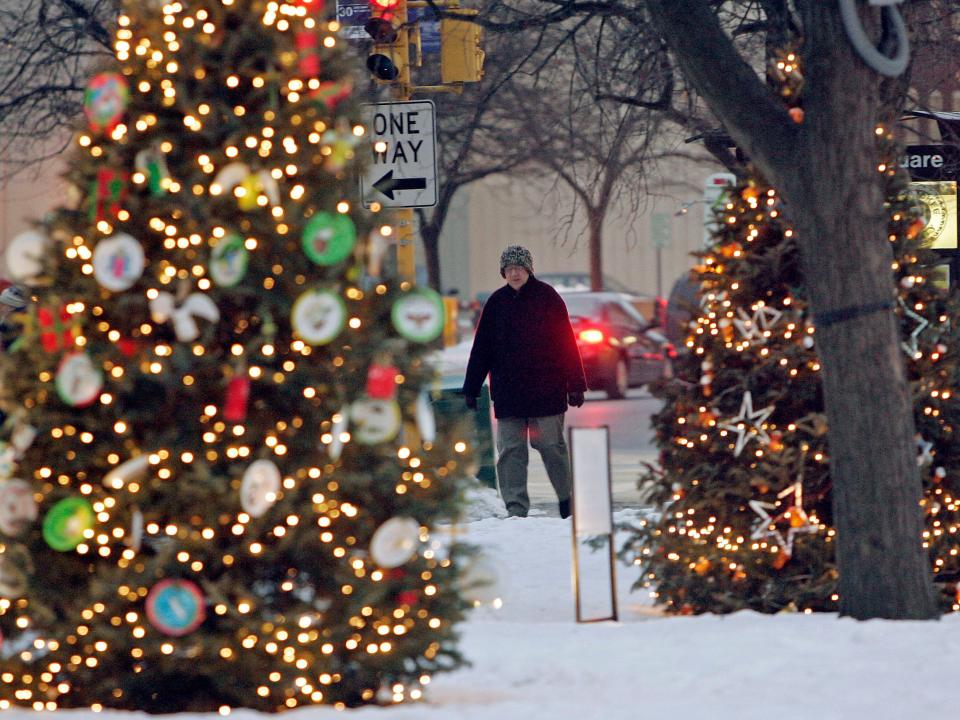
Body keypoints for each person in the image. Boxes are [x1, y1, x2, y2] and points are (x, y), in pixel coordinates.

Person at [461, 246, 587, 518]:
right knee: (510, 451)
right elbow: (482, 349)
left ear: (529, 269)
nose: (514, 273)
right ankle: (515, 508)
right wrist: (471, 387)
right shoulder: (496, 303)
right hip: (509, 393)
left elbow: (566, 342)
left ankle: (567, 500)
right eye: (509, 269)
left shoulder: (548, 298)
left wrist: (575, 383)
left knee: (551, 446)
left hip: (546, 390)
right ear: (503, 272)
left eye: (519, 268)